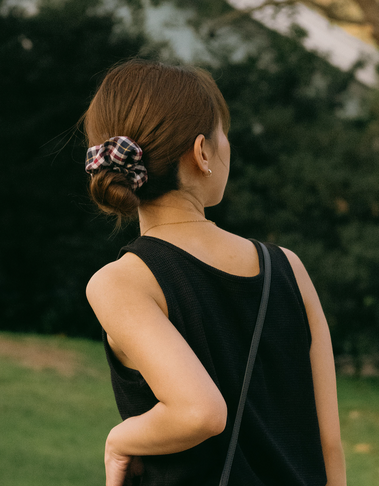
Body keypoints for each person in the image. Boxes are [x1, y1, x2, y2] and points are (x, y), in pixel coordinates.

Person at [84, 59, 346, 486]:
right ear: (203, 152)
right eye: (225, 133)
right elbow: (328, 444)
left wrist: (119, 440)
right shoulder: (289, 268)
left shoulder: (123, 283)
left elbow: (200, 412)